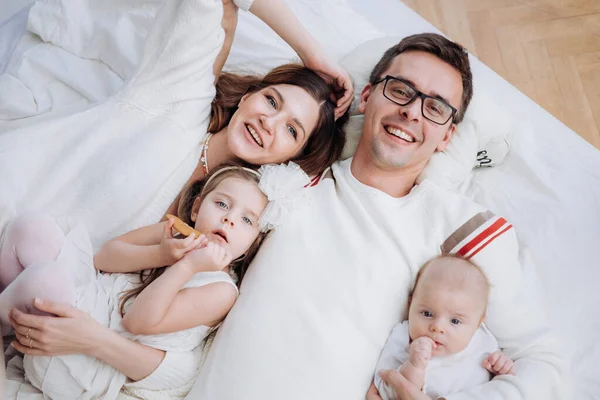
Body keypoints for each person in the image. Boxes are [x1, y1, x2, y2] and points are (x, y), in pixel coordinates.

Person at [8, 34, 566, 400]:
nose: (411, 112)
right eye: (401, 90)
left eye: (435, 107)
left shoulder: (455, 226)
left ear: (448, 136)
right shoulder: (283, 181)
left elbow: (545, 362)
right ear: (369, 95)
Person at [0, 0, 352, 252]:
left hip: (28, 282)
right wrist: (312, 54)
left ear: (291, 158)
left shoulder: (230, 223)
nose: (269, 121)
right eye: (271, 101)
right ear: (247, 97)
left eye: (292, 130)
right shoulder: (178, 98)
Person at [2, 162, 307, 398]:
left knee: (46, 279)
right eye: (223, 204)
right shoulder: (171, 232)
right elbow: (103, 258)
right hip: (91, 295)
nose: (229, 219)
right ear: (198, 207)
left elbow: (138, 322)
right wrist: (161, 254)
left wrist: (185, 267)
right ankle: (6, 314)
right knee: (32, 228)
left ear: (251, 245)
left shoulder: (220, 290)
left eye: (246, 220)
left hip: (83, 361)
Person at [374, 255, 515, 400]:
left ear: (478, 324)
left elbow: (501, 383)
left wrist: (501, 366)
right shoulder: (403, 336)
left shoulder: (482, 341)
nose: (437, 327)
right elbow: (386, 389)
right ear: (410, 305)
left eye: (455, 321)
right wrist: (414, 366)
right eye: (427, 313)